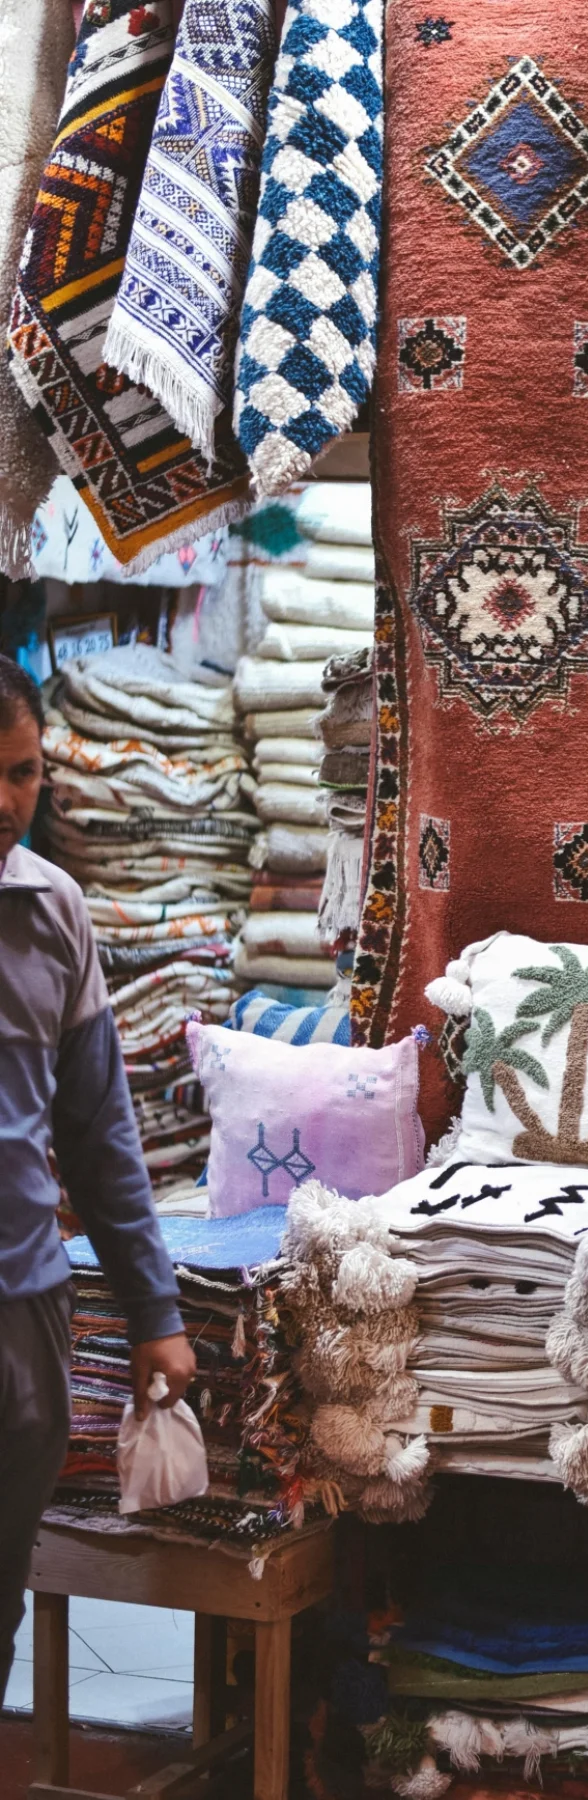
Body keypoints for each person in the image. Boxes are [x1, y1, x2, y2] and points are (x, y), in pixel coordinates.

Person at [0, 653, 195, 1701]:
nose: (5, 801)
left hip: (24, 1307)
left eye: (23, 773)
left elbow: (98, 1132)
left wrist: (152, 1308)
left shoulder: (54, 910)